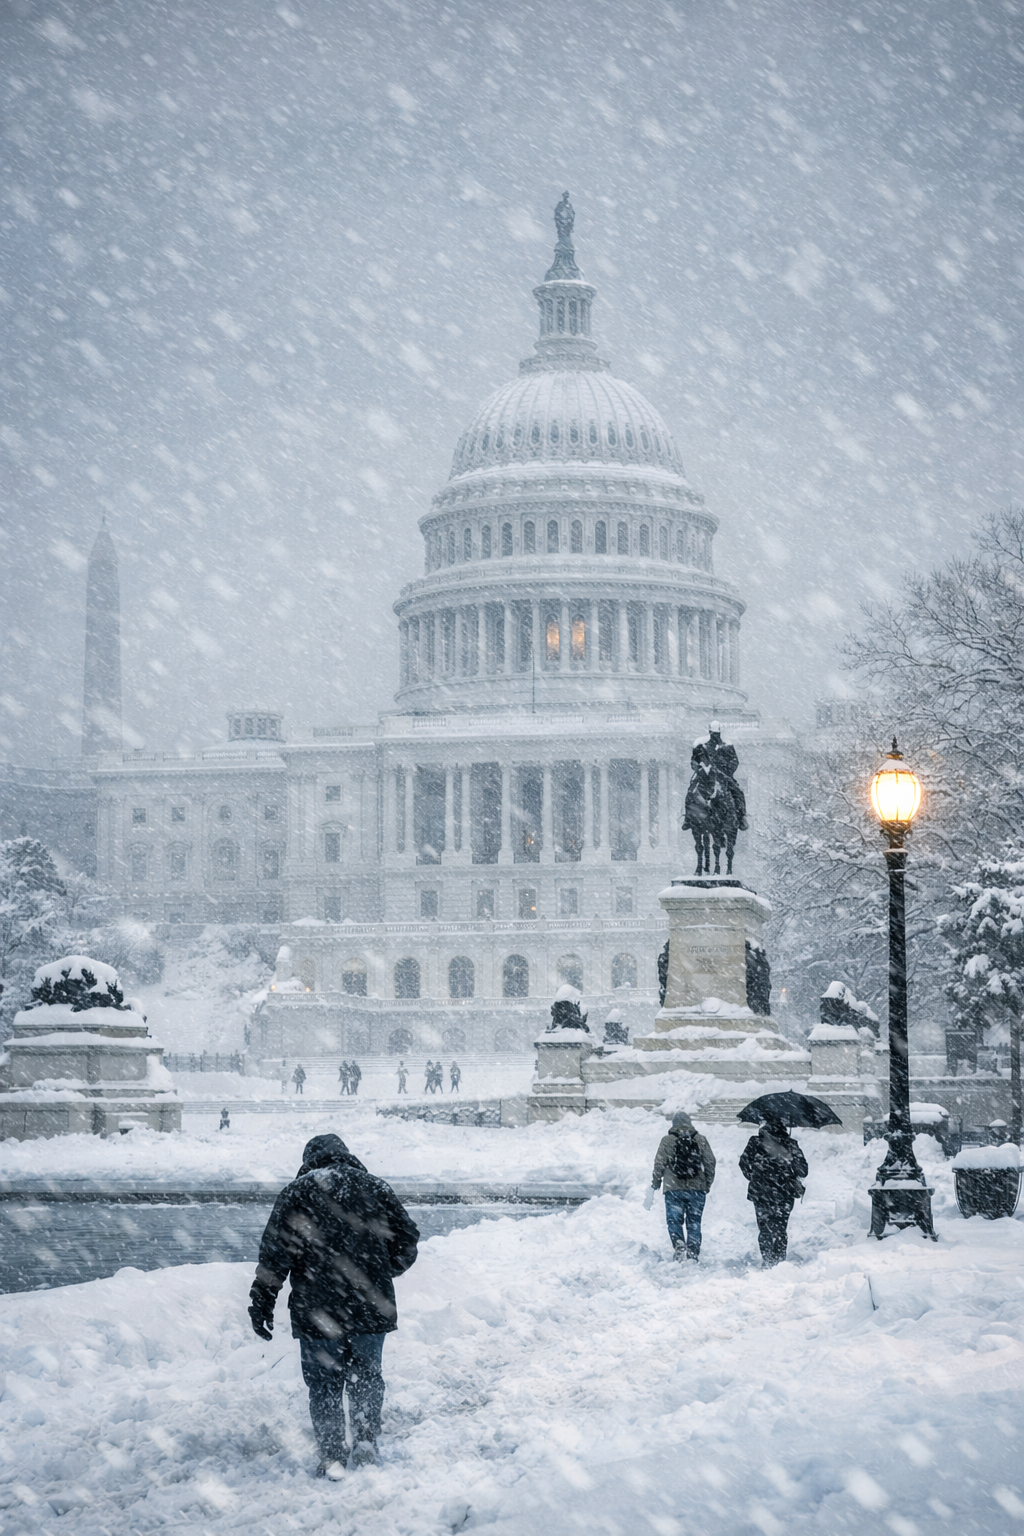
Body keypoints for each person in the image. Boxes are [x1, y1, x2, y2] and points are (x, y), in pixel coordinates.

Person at [248, 1133, 419, 1478]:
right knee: (367, 1377)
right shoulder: (376, 1188)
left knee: (324, 1385)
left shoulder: (297, 1193)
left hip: (317, 1309)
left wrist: (262, 1302)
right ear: (346, 1156)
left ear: (309, 1160)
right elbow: (408, 1240)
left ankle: (331, 1456)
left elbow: (274, 1257)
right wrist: (380, 1272)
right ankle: (366, 1442)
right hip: (371, 1306)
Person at [644, 1111, 716, 1261]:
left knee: (674, 1220)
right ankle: (693, 1253)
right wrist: (706, 1183)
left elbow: (659, 1163)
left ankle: (679, 1244)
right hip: (696, 1189)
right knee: (694, 1222)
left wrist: (656, 1182)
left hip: (673, 1188)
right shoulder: (700, 1140)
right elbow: (710, 1162)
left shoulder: (667, 1140)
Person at [739, 1118, 808, 1267]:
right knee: (780, 1228)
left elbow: (743, 1163)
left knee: (764, 1228)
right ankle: (779, 1261)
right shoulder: (790, 1144)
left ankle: (768, 1259)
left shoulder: (755, 1142)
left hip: (760, 1193)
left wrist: (754, 1177)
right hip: (784, 1193)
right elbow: (803, 1170)